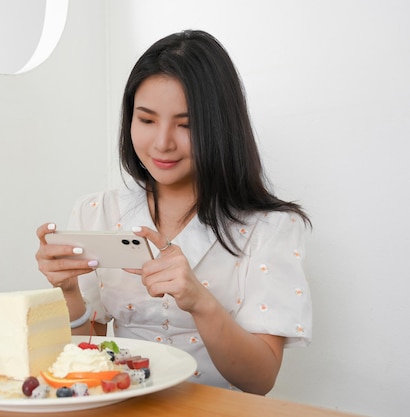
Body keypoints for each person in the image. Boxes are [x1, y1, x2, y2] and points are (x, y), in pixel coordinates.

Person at [36, 30, 312, 395]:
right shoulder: (96, 211)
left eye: (187, 125)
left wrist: (200, 302)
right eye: (147, 120)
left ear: (220, 127)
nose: (163, 142)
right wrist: (69, 293)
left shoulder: (270, 227)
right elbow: (88, 355)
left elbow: (259, 380)